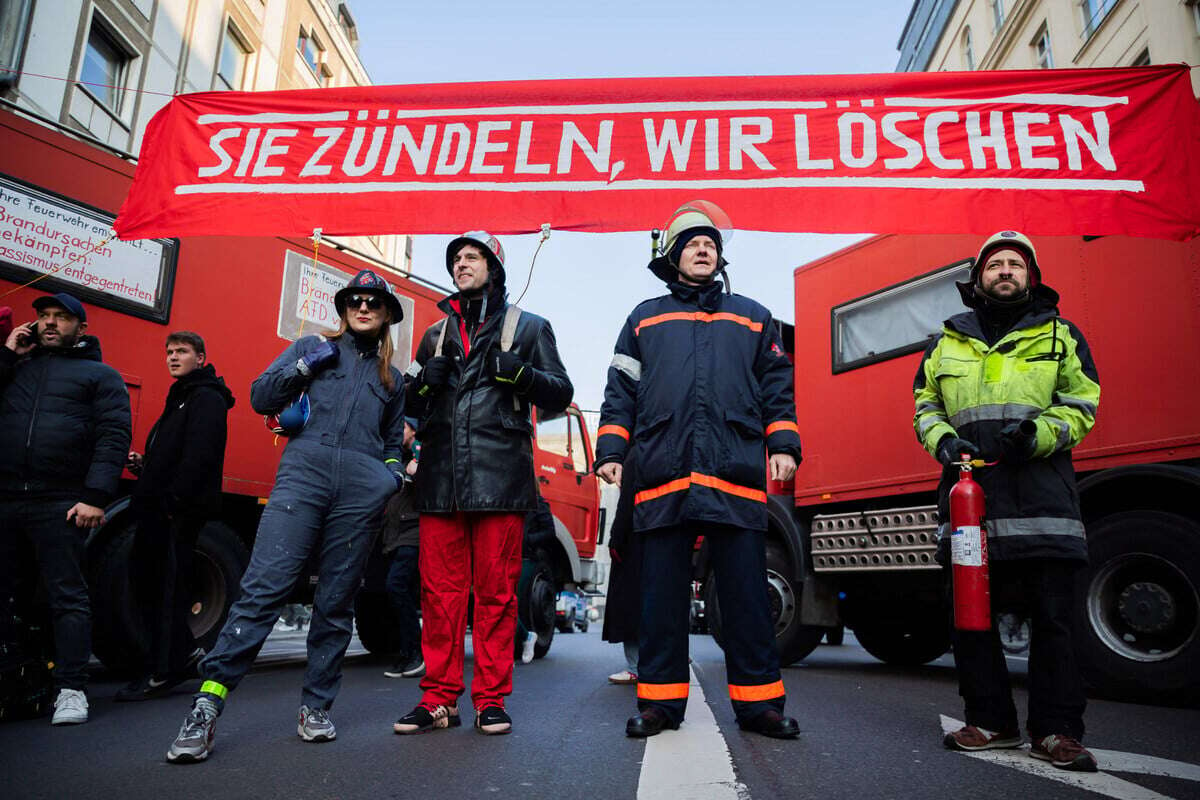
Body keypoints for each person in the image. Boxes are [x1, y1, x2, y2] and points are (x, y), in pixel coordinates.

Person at [166, 270, 406, 763]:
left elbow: (392, 441)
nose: (363, 308)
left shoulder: (393, 379)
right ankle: (206, 705)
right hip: (304, 477)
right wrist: (301, 365)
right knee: (263, 590)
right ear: (344, 309)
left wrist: (390, 475)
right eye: (355, 301)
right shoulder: (313, 348)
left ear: (385, 316)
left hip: (360, 493)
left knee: (337, 600)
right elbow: (259, 398)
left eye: (373, 303)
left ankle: (316, 706)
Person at [595, 201, 802, 739]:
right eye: (692, 243)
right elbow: (620, 392)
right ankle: (660, 704)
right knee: (660, 598)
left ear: (720, 256)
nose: (703, 248)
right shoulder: (644, 318)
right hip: (662, 471)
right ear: (673, 257)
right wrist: (613, 450)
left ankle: (760, 707)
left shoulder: (754, 316)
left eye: (710, 243)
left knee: (747, 599)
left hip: (734, 471)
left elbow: (778, 387)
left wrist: (783, 443)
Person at [913, 230, 1101, 772]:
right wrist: (944, 442)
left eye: (1016, 264)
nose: (1005, 271)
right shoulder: (945, 342)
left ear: (1031, 277)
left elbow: (1082, 404)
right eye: (995, 264)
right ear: (978, 279)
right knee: (972, 619)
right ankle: (991, 721)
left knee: (1055, 622)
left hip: (1043, 499)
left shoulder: (1061, 337)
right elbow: (925, 405)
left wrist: (1037, 435)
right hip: (972, 505)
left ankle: (1058, 731)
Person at [393, 231, 573, 736]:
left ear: (494, 266)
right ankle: (437, 700)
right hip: (439, 483)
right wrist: (425, 382)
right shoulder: (434, 335)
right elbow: (408, 405)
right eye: (455, 258)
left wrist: (522, 376)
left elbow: (561, 393)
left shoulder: (531, 327)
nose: (461, 263)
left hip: (499, 480)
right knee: (439, 595)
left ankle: (490, 700)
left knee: (495, 595)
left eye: (472, 256)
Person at [0, 292, 132, 725]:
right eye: (43, 316)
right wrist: (6, 356)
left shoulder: (101, 376)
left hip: (60, 502)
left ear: (82, 327)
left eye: (60, 317)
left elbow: (113, 437)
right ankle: (16, 683)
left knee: (67, 597)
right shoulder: (16, 368)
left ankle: (71, 689)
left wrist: (95, 497)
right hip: (7, 498)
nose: (50, 323)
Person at [116, 332, 235, 702]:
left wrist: (173, 501)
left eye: (181, 351)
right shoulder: (183, 395)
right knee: (149, 583)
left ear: (200, 358)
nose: (172, 357)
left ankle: (164, 670)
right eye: (169, 352)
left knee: (168, 589)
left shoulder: (206, 398)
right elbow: (175, 453)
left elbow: (200, 456)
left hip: (176, 511)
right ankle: (179, 654)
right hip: (160, 505)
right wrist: (147, 466)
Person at [382, 417, 424, 680]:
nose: (398, 431)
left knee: (395, 585)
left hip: (413, 532)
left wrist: (416, 470)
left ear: (413, 430)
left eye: (403, 427)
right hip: (396, 534)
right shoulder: (396, 454)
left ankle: (415, 653)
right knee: (400, 591)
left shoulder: (421, 450)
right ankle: (407, 652)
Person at [602, 455, 642, 685]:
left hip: (634, 540)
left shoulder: (633, 459)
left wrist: (615, 539)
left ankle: (636, 666)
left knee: (630, 604)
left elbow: (626, 503)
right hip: (660, 531)